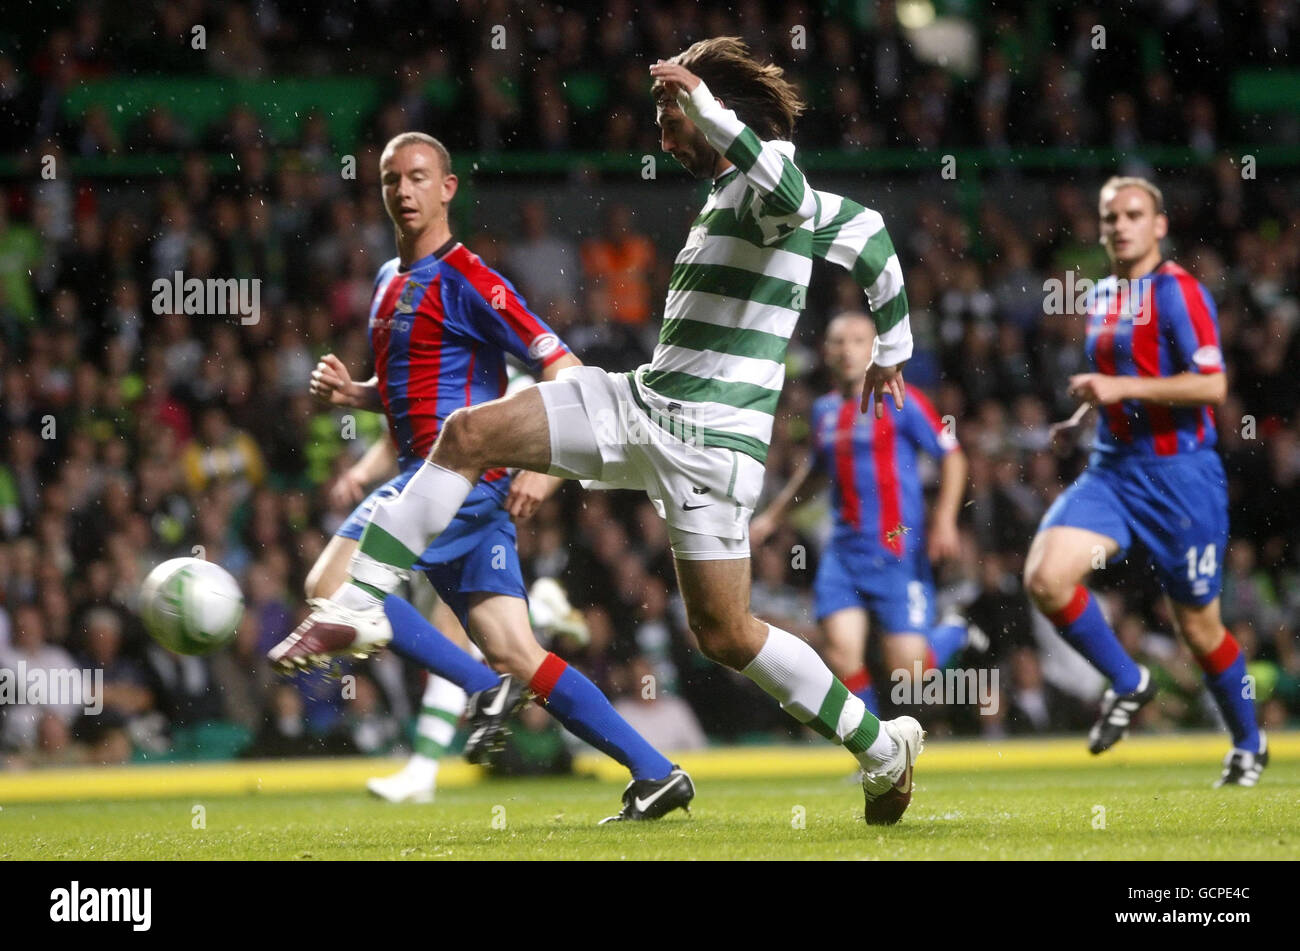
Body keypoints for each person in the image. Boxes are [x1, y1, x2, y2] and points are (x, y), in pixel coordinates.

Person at [281, 38, 924, 824]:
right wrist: (895, 345)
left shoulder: (768, 187)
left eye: (670, 115)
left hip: (713, 448)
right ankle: (357, 600)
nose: (661, 134)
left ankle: (881, 746)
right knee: (467, 433)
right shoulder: (741, 190)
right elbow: (873, 234)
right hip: (641, 405)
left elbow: (790, 188)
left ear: (710, 111)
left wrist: (712, 114)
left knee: (726, 633)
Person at [272, 131, 694, 820]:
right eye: (390, 180)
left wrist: (544, 465)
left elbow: (566, 370)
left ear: (447, 188)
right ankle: (656, 771)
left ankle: (475, 687)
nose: (403, 190)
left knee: (330, 584)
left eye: (417, 177)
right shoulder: (388, 282)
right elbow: (415, 389)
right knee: (518, 650)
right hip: (428, 481)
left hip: (463, 482)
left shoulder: (471, 276)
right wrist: (357, 393)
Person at [1023, 175, 1265, 787]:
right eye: (1111, 218)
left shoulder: (1180, 292)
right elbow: (1116, 374)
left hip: (1182, 479)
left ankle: (1249, 743)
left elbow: (1212, 386)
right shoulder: (1102, 292)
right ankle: (1129, 679)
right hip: (1112, 471)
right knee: (1046, 579)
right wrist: (1082, 416)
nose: (1121, 226)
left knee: (1199, 629)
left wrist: (1121, 389)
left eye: (1134, 215)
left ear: (1159, 226)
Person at [751, 311, 971, 717]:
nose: (847, 349)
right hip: (844, 552)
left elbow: (952, 458)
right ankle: (873, 748)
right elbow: (816, 472)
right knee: (840, 654)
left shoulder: (902, 399)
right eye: (838, 341)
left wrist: (944, 520)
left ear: (874, 350)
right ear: (827, 352)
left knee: (908, 670)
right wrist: (772, 517)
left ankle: (958, 629)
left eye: (857, 340)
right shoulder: (824, 411)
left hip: (897, 550)